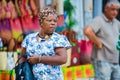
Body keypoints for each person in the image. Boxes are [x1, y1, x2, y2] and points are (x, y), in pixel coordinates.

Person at [19, 7, 71, 80]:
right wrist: (22, 71)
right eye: (49, 20)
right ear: (41, 22)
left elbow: (62, 59)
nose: (53, 23)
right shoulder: (29, 38)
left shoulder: (58, 39)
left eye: (55, 21)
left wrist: (39, 59)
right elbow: (22, 56)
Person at [84, 0, 120, 80]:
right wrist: (98, 43)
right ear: (106, 9)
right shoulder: (99, 20)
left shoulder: (117, 23)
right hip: (102, 60)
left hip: (115, 60)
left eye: (117, 10)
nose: (115, 12)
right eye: (112, 9)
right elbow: (87, 31)